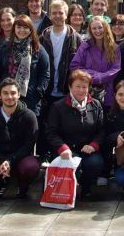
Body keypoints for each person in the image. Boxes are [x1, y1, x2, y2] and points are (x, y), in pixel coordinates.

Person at [45, 69, 106, 199]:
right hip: (65, 149)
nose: (81, 90)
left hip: (87, 149)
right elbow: (51, 132)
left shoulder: (96, 105)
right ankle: (67, 191)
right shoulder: (58, 106)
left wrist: (94, 145)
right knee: (70, 162)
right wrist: (62, 148)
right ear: (70, 87)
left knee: (95, 162)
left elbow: (101, 130)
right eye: (77, 86)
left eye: (84, 87)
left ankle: (86, 187)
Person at [39, 0, 83, 158]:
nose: (57, 16)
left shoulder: (76, 38)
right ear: (50, 15)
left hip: (66, 90)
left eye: (61, 13)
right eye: (54, 13)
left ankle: (65, 156)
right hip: (47, 90)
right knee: (46, 125)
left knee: (65, 126)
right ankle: (45, 156)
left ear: (66, 15)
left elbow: (80, 67)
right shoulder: (42, 38)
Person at [0, 14, 38, 109]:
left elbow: (45, 74)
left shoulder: (37, 49)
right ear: (14, 29)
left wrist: (36, 91)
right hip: (6, 97)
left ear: (31, 29)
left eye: (25, 27)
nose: (21, 30)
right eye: (19, 27)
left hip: (29, 99)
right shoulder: (5, 47)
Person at [70, 16, 121, 106]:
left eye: (100, 27)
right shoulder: (85, 46)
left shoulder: (114, 48)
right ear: (90, 30)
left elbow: (115, 69)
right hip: (88, 91)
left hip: (108, 92)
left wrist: (100, 78)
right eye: (94, 28)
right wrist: (94, 77)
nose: (97, 31)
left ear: (105, 27)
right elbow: (74, 67)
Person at [0, 8, 31, 100]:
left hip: (25, 91)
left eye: (8, 20)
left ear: (15, 20)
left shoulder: (28, 42)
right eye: (2, 20)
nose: (5, 23)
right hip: (4, 90)